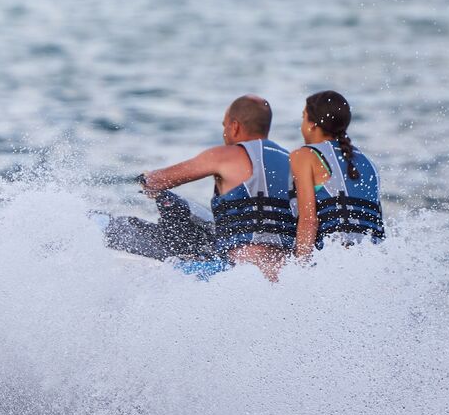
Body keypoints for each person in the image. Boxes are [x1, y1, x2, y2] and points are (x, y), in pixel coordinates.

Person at [114, 94, 300, 280]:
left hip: (238, 271)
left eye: (224, 126)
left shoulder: (225, 155)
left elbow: (160, 180)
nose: (224, 133)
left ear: (234, 126)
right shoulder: (295, 164)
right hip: (282, 275)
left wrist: (146, 179)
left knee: (146, 276)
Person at [288, 89, 386, 257]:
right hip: (373, 261)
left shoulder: (304, 156)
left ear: (312, 124)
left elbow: (309, 221)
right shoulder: (369, 163)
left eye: (303, 117)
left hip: (335, 259)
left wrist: (299, 269)